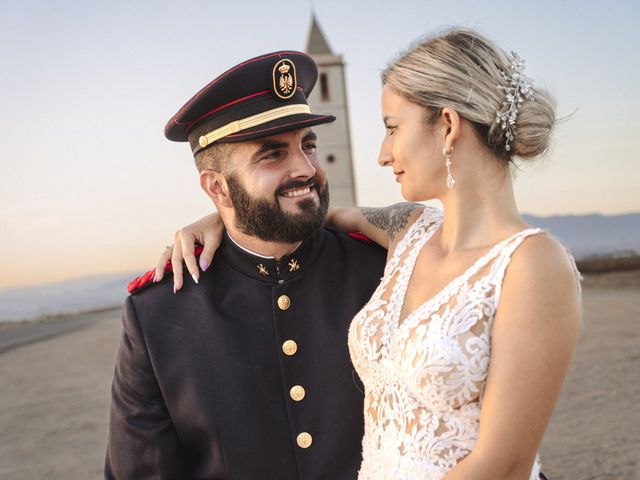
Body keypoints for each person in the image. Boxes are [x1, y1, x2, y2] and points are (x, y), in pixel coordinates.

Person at [163, 29, 581, 479]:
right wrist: (224, 216)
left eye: (392, 128)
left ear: (447, 126)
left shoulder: (533, 264)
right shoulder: (406, 231)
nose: (383, 155)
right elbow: (311, 212)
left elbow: (504, 466)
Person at [105, 51, 392, 479]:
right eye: (273, 154)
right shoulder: (157, 313)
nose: (306, 169)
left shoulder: (382, 270)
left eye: (308, 145)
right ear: (218, 187)